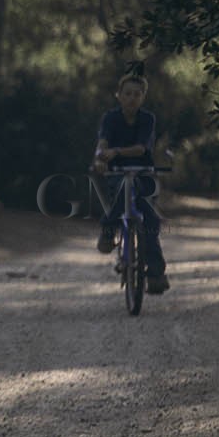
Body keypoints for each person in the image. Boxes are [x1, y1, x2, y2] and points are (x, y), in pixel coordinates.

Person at [92, 72, 169, 294]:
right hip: (117, 173)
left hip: (144, 174)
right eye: (127, 94)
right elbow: (102, 142)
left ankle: (156, 273)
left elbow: (141, 149)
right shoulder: (110, 118)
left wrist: (115, 152)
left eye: (137, 94)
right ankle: (109, 230)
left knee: (151, 221)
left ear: (143, 97)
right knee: (123, 189)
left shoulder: (147, 119)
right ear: (118, 95)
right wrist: (100, 159)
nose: (132, 98)